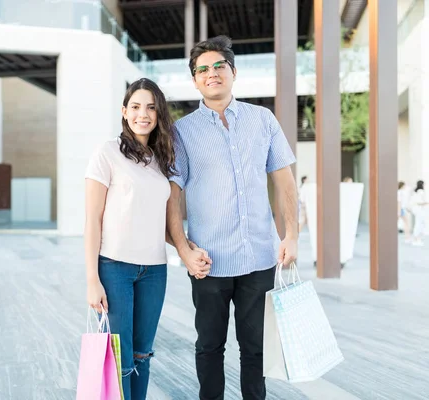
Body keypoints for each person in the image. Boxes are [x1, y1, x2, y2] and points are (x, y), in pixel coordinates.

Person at [166, 35, 298, 400]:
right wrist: (183, 250)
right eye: (202, 69)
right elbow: (173, 197)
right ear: (195, 80)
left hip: (259, 256)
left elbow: (284, 180)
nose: (212, 74)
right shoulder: (182, 131)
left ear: (233, 72)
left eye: (218, 66)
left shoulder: (263, 119)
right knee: (209, 347)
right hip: (209, 261)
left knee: (255, 348)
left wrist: (292, 236)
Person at [83, 78, 189, 400]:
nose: (143, 114)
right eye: (136, 106)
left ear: (158, 114)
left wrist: (187, 248)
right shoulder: (107, 152)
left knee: (142, 354)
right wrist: (92, 279)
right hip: (115, 267)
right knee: (121, 357)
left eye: (151, 108)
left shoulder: (161, 160)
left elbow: (158, 222)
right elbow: (92, 220)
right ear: (124, 112)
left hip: (155, 270)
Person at [410, 180, 427, 247]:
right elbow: (419, 202)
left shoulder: (415, 191)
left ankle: (416, 239)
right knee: (419, 224)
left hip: (416, 210)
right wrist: (426, 203)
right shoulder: (421, 191)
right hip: (419, 210)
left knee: (418, 224)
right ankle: (416, 239)